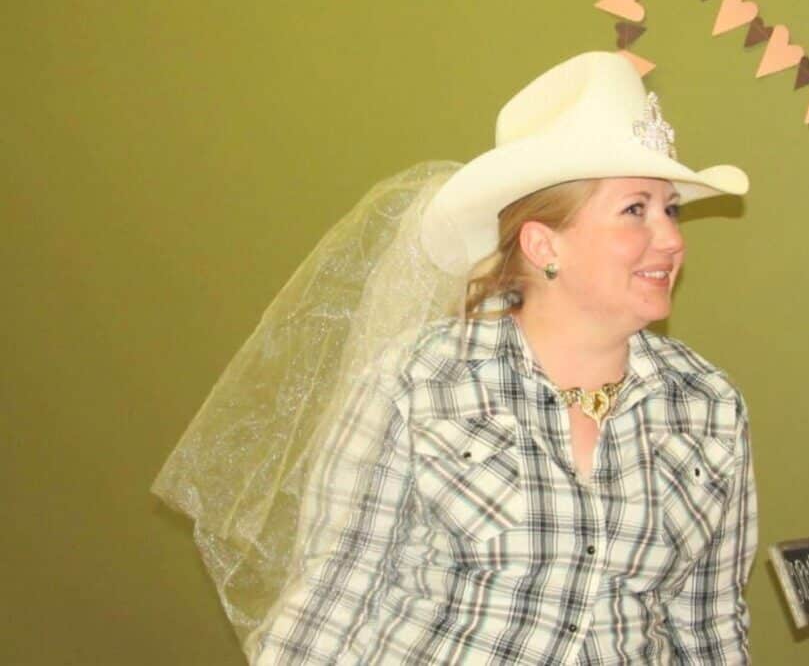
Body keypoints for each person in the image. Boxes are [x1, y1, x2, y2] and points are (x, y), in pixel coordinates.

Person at [153, 50, 757, 665]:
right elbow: (332, 603)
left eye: (671, 209)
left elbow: (707, 627)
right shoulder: (421, 380)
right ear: (544, 243)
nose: (673, 238)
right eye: (636, 210)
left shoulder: (709, 406)